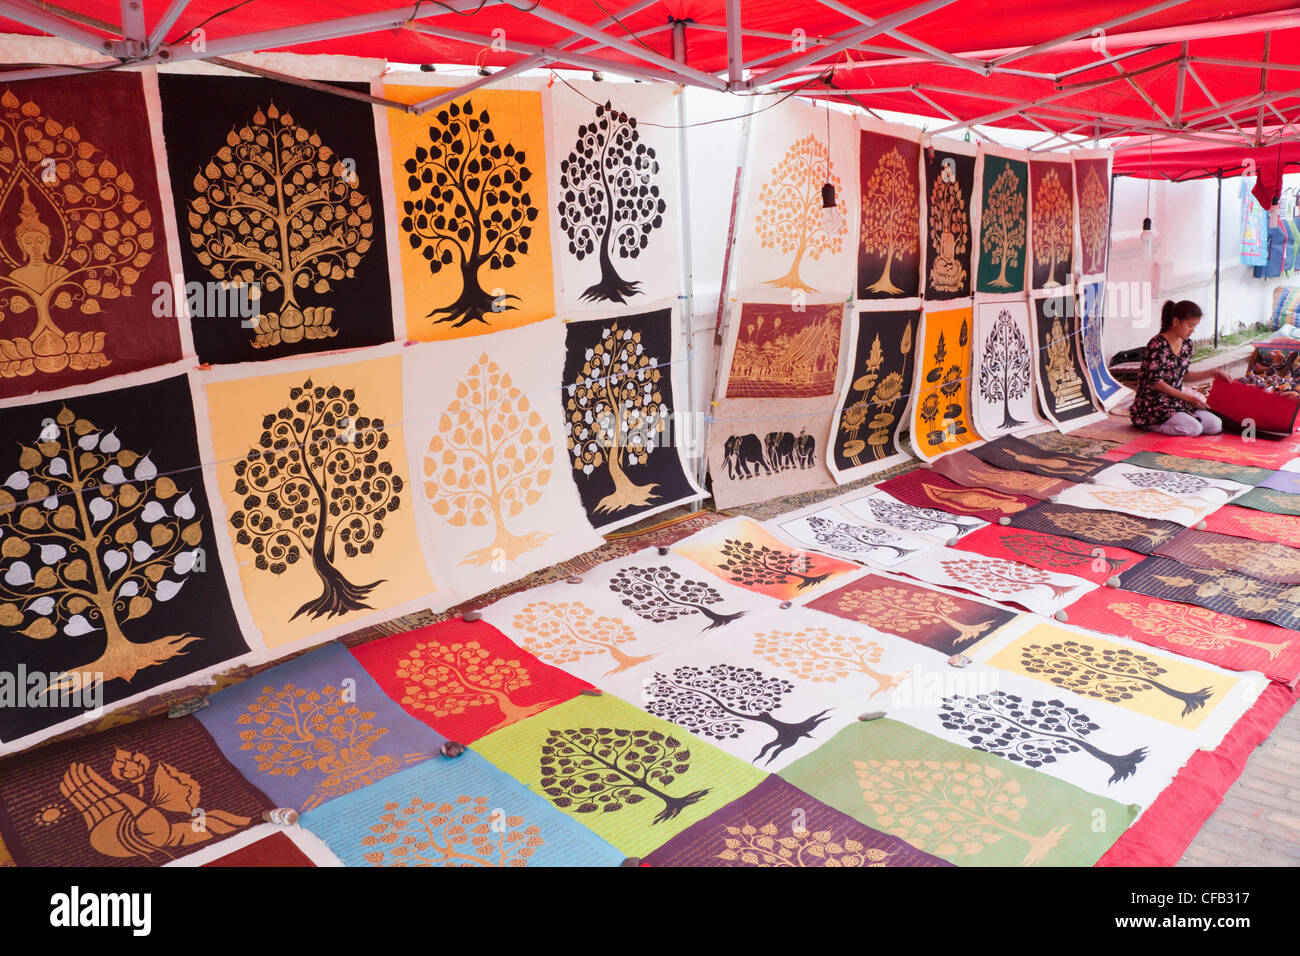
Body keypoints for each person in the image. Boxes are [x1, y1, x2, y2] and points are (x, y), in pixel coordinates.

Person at [1129, 299, 1224, 437]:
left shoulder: (1187, 345)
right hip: (1153, 404)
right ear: (1175, 322)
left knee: (1215, 425)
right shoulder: (1157, 345)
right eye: (1190, 326)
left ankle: (1180, 421)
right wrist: (1189, 398)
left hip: (1175, 402)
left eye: (1194, 327)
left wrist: (1212, 373)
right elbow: (1156, 383)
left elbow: (1184, 375)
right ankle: (1147, 423)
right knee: (1194, 429)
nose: (1192, 331)